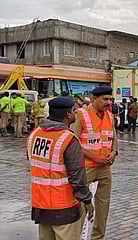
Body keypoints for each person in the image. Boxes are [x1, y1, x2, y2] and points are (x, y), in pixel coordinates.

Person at [27, 96, 94, 240]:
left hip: (41, 205)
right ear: (68, 114)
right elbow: (77, 177)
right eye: (74, 111)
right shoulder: (68, 139)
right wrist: (87, 201)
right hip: (65, 208)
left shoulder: (34, 135)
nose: (76, 114)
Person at [72, 86, 118, 240]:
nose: (109, 102)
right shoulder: (81, 115)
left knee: (103, 207)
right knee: (81, 207)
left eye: (110, 99)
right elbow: (74, 143)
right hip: (86, 167)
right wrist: (94, 157)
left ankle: (98, 237)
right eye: (105, 99)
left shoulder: (110, 116)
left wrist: (114, 152)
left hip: (105, 167)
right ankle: (76, 236)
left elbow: (114, 138)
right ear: (94, 99)